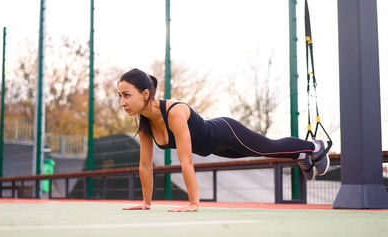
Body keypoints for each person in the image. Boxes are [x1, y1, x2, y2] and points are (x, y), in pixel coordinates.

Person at [119, 68, 330, 212]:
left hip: (226, 132)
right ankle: (300, 154)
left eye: (126, 95)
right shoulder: (145, 124)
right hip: (214, 148)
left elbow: (186, 161)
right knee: (263, 152)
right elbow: (145, 166)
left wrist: (193, 203)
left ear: (145, 93)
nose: (122, 102)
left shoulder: (174, 112)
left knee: (270, 147)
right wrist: (146, 203)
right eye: (120, 96)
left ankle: (314, 146)